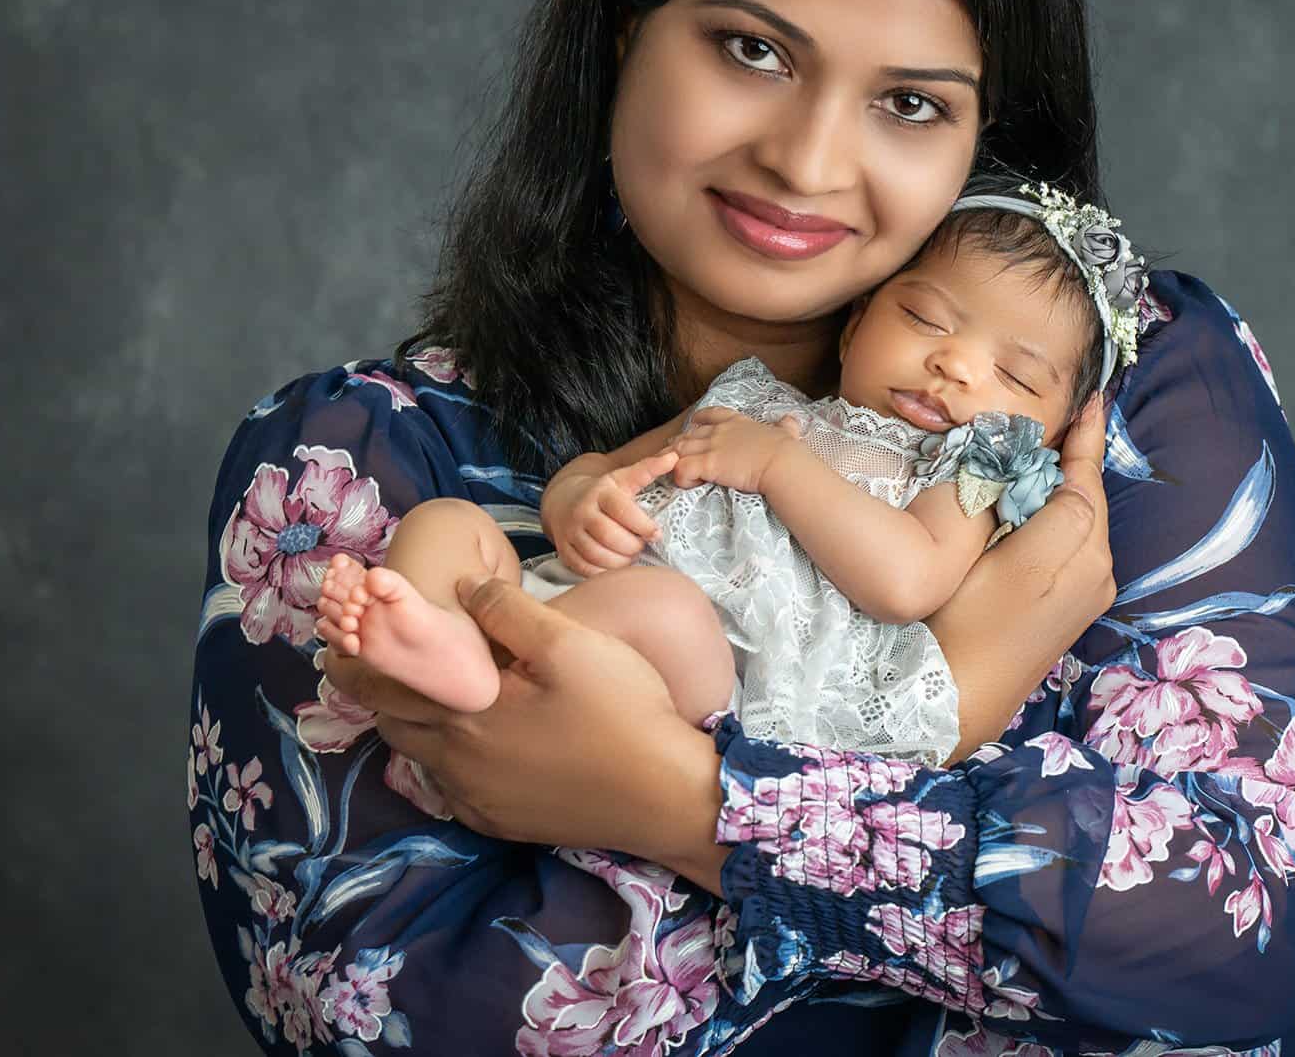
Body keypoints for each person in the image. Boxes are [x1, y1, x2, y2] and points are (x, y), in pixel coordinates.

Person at [189, 0, 1295, 1057]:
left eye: (913, 103)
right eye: (754, 49)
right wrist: (981, 846)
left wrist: (685, 803)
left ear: (992, 129)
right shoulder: (355, 460)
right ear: (627, 26)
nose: (810, 161)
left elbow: (1248, 920)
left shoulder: (1121, 386)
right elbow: (379, 1011)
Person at [310, 179, 1139, 767]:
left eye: (1017, 376)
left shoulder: (966, 466)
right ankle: (437, 651)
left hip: (693, 673)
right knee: (447, 527)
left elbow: (908, 577)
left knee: (665, 609)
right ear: (853, 327)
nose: (953, 364)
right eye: (923, 317)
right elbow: (605, 467)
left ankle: (470, 673)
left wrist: (780, 467)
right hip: (569, 596)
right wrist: (577, 505)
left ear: (1055, 428)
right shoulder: (749, 396)